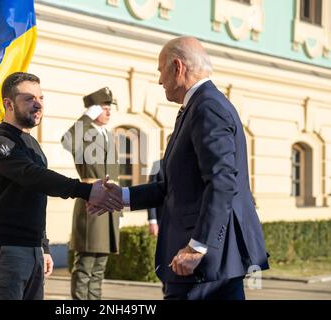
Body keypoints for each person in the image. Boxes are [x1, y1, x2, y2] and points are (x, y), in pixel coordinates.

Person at [90, 37, 269, 300]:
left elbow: (222, 182)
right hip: (202, 262)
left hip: (203, 264)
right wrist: (122, 197)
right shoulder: (198, 106)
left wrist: (198, 247)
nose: (160, 80)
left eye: (161, 70)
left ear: (177, 67)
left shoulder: (207, 107)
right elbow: (175, 185)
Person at [0, 72, 123, 300]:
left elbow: (36, 197)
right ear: (9, 104)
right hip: (5, 250)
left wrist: (43, 247)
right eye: (29, 98)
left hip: (32, 250)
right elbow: (33, 176)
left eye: (41, 98)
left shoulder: (33, 144)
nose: (38, 104)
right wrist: (84, 190)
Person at [61, 87, 121, 300]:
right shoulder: (84, 135)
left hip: (110, 206)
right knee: (85, 265)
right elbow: (67, 140)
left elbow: (114, 175)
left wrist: (118, 211)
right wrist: (86, 117)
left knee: (99, 268)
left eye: (109, 108)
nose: (108, 112)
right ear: (93, 110)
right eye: (104, 108)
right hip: (92, 204)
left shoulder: (109, 135)